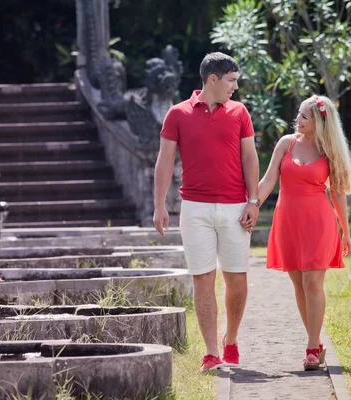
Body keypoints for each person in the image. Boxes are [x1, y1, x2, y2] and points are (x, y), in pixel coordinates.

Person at [153, 52, 260, 373]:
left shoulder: (240, 112)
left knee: (237, 279)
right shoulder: (177, 113)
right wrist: (159, 204)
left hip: (235, 208)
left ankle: (231, 340)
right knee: (203, 280)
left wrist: (253, 200)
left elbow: (250, 158)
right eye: (231, 81)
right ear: (212, 80)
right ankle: (212, 352)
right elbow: (164, 161)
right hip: (194, 209)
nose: (235, 88)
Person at [250, 94, 351, 370]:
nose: (297, 119)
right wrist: (253, 204)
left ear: (320, 121)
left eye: (304, 116)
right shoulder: (287, 144)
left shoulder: (329, 150)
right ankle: (316, 342)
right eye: (298, 114)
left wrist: (346, 231)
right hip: (288, 221)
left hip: (319, 222)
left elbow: (339, 192)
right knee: (298, 284)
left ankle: (310, 348)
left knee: (313, 283)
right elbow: (269, 177)